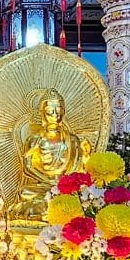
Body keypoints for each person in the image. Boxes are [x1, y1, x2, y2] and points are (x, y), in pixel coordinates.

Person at [11, 88, 91, 220]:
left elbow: (78, 168)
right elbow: (27, 167)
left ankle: (45, 208)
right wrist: (49, 181)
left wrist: (86, 155)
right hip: (41, 185)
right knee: (26, 192)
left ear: (63, 112)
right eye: (50, 111)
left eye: (58, 111)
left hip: (65, 186)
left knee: (81, 196)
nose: (55, 115)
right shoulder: (35, 139)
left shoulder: (73, 140)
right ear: (42, 113)